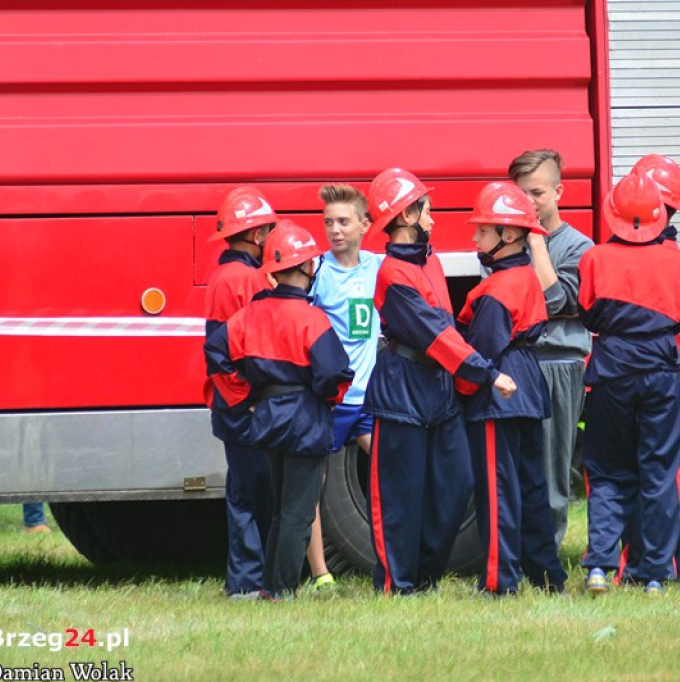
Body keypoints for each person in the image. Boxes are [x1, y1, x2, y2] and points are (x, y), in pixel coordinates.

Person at [362, 167, 517, 595]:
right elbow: (434, 333)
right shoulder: (393, 273)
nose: (432, 216)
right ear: (408, 216)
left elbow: (447, 322)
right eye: (425, 208)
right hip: (403, 390)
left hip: (439, 389)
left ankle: (425, 576)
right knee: (400, 497)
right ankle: (400, 584)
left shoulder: (429, 258)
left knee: (455, 486)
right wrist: (485, 372)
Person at [205, 221, 354, 601]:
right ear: (307, 268)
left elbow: (216, 352)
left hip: (266, 418)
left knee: (276, 508)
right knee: (298, 512)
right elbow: (334, 373)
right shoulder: (312, 319)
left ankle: (270, 585)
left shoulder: (250, 315)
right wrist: (323, 396)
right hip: (304, 419)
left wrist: (243, 397)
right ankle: (281, 591)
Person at [578, 169, 680, 596]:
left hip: (611, 374)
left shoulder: (593, 258)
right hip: (662, 373)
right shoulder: (676, 258)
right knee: (659, 474)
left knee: (608, 472)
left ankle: (599, 567)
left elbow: (588, 315)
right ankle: (654, 575)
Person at [456, 181, 567, 596]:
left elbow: (479, 352)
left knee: (497, 491)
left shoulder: (496, 290)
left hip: (498, 392)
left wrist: (462, 387)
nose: (475, 237)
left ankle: (499, 582)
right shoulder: (524, 276)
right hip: (527, 384)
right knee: (531, 488)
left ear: (508, 234)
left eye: (483, 230)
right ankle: (548, 577)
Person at [508, 149, 593, 548]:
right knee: (516, 467)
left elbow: (558, 301)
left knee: (552, 469)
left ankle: (548, 558)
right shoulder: (505, 243)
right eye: (521, 194)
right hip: (516, 364)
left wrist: (537, 245)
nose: (528, 202)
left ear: (559, 191)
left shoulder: (578, 247)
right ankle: (518, 555)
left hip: (558, 364)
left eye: (537, 193)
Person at [305, 183, 383, 591]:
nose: (334, 230)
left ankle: (395, 560)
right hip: (331, 404)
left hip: (369, 401)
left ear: (365, 225)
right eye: (328, 222)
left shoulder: (379, 267)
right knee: (311, 489)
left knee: (393, 475)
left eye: (343, 221)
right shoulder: (317, 273)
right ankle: (321, 575)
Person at [203, 186, 277, 600]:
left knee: (243, 492)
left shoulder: (221, 276)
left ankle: (246, 578)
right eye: (266, 229)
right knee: (255, 494)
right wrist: (250, 397)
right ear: (255, 235)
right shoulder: (249, 279)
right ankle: (250, 582)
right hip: (246, 403)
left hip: (230, 401)